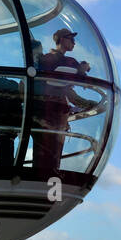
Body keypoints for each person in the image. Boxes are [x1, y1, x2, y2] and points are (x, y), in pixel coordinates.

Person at [31, 29, 97, 174]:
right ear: (61, 39)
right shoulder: (57, 60)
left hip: (45, 114)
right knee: (50, 155)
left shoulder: (51, 59)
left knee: (44, 155)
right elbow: (68, 81)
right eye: (71, 39)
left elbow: (66, 89)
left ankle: (43, 178)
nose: (74, 42)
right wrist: (82, 68)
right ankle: (45, 181)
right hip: (51, 115)